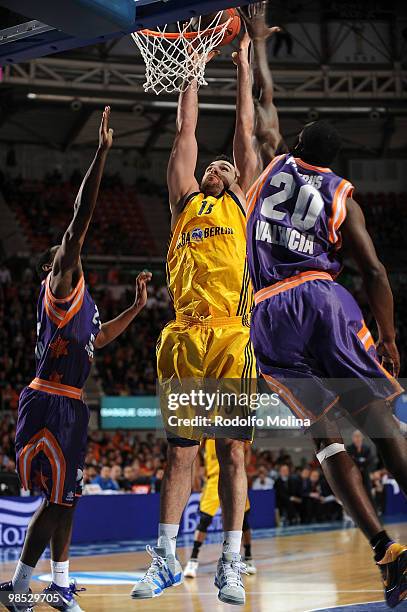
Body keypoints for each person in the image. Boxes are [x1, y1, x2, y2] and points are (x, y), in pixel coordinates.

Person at [243, 6, 407, 606]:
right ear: (332, 162)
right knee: (379, 419)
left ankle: (384, 547)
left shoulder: (273, 161)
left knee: (326, 436)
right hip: (325, 300)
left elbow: (264, 103)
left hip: (271, 315)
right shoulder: (342, 196)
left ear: (297, 145)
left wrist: (258, 45)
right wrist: (387, 337)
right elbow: (374, 271)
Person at [0, 107, 152, 612]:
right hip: (48, 402)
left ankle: (59, 584)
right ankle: (21, 584)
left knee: (68, 499)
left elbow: (101, 338)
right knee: (59, 500)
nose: (78, 255)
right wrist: (102, 152)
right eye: (70, 252)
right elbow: (81, 217)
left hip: (71, 406)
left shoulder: (84, 306)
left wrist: (134, 308)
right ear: (56, 264)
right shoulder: (60, 284)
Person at [131, 40, 259, 606]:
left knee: (232, 451)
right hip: (185, 335)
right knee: (179, 451)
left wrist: (243, 68)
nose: (212, 165)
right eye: (208, 166)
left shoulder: (244, 200)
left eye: (221, 166)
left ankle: (231, 561)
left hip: (233, 334)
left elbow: (244, 135)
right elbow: (187, 133)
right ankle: (164, 558)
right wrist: (193, 70)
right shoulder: (184, 199)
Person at [184, 439, 256, 579]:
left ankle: (248, 557)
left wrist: (243, 470)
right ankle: (193, 561)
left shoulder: (236, 425)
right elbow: (196, 451)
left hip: (234, 478)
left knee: (243, 520)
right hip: (213, 479)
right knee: (204, 520)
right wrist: (197, 473)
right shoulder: (207, 428)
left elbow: (247, 451)